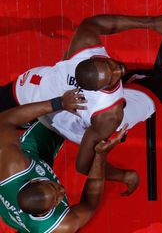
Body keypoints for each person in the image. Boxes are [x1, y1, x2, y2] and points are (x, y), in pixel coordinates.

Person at [0, 13, 162, 196]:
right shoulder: (110, 113)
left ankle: (31, 120)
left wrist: (152, 22)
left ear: (95, 57)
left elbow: (93, 23)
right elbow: (83, 164)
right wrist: (122, 175)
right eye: (113, 76)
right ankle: (139, 80)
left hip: (36, 95)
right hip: (68, 123)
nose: (118, 69)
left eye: (111, 66)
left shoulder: (83, 49)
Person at [0, 91, 129, 232]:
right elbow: (89, 206)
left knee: (62, 114)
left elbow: (5, 121)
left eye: (53, 186)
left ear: (34, 181)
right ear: (46, 212)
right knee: (80, 130)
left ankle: (96, 89)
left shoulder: (13, 164)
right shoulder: (59, 225)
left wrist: (58, 102)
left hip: (31, 155)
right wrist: (100, 155)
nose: (62, 190)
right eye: (57, 199)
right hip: (23, 220)